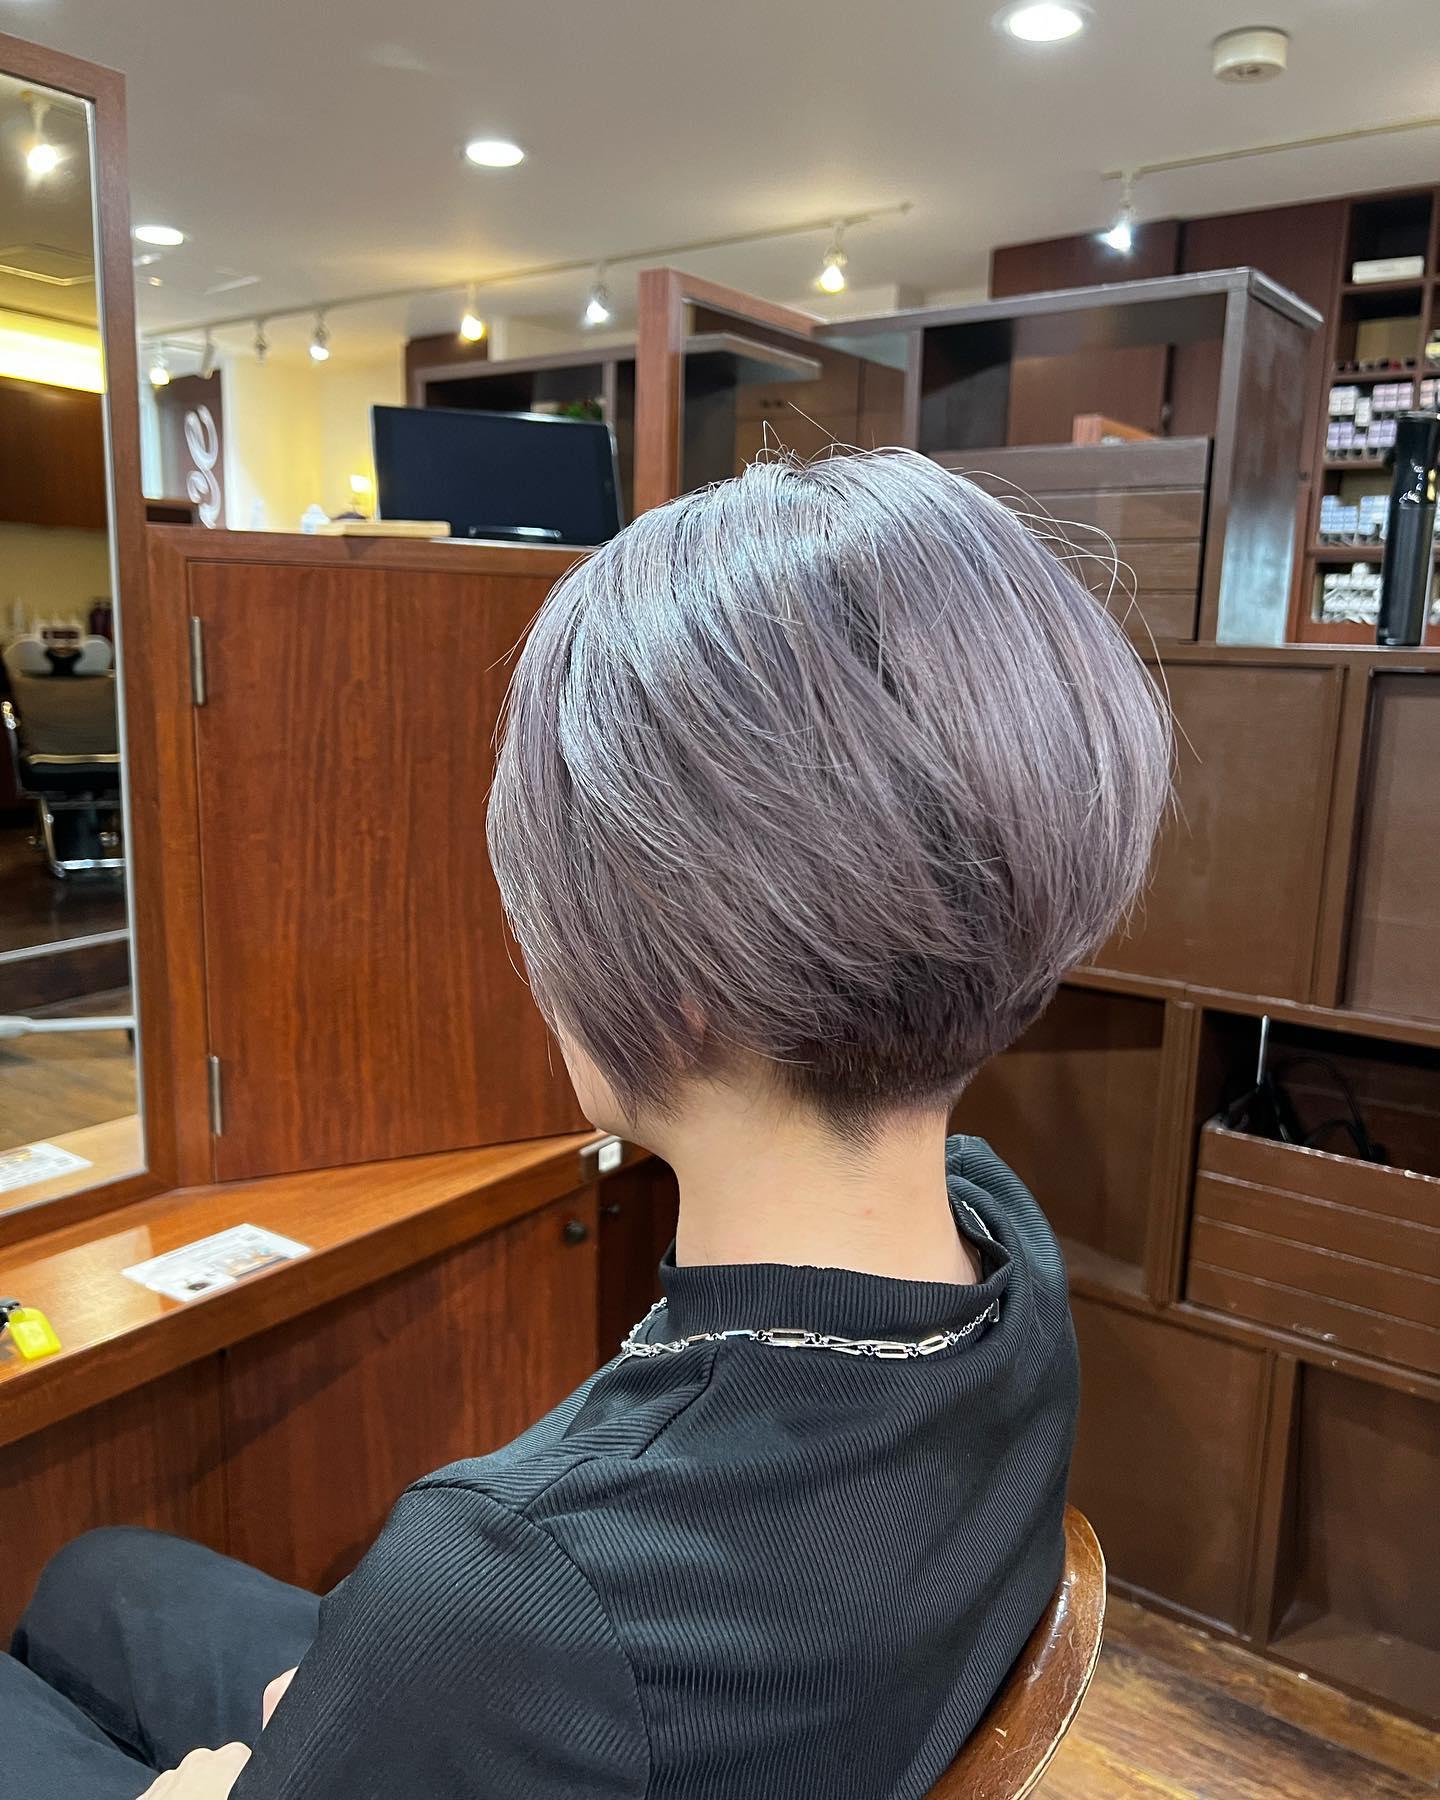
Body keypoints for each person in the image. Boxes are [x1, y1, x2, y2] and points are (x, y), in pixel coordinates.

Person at [3, 449, 1169, 1799]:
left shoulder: (507, 1582)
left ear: (679, 984)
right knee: (100, 1582)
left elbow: (505, 1632)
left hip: (555, 1693)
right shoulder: (1003, 1255)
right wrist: (377, 1717)